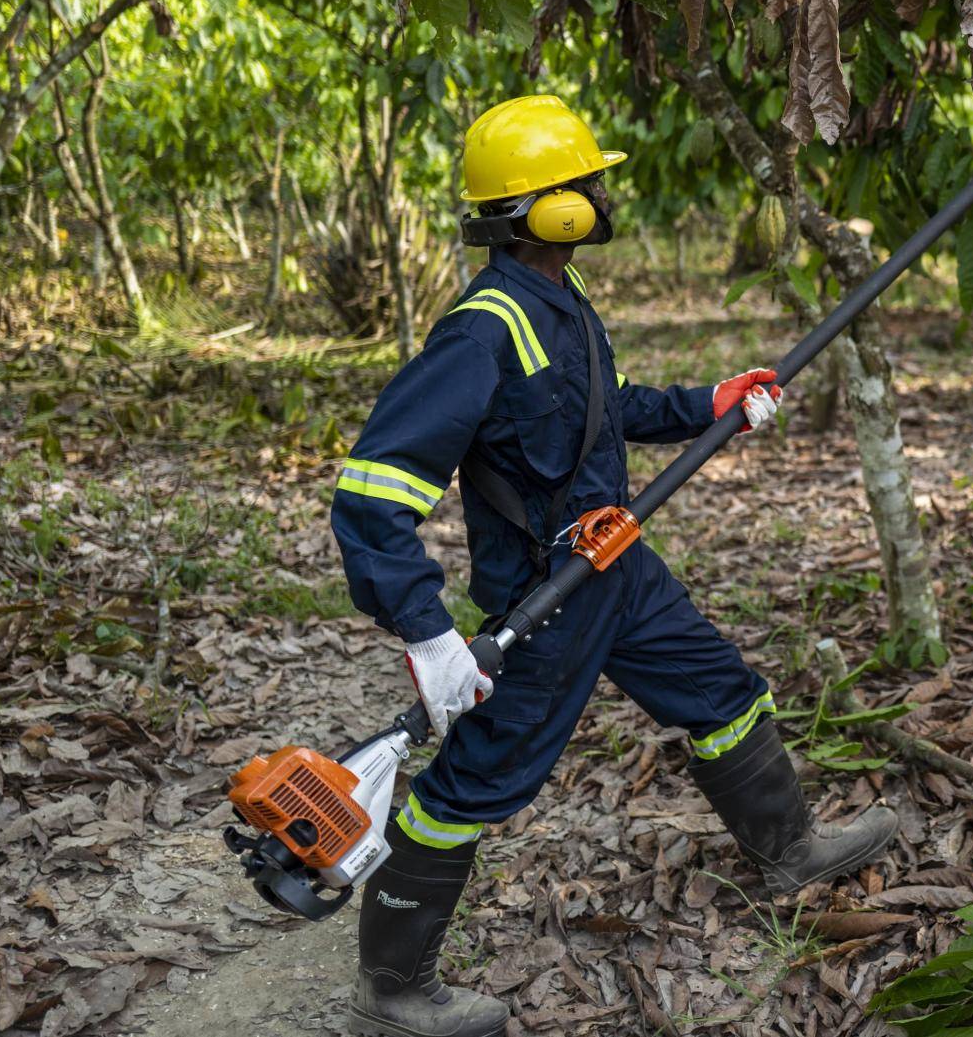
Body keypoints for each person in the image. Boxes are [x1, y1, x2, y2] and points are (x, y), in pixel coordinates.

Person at [330, 95, 898, 1036]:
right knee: (474, 780)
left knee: (720, 689)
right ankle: (390, 987)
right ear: (548, 208)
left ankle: (790, 849)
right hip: (548, 600)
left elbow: (608, 408)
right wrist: (429, 634)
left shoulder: (563, 304)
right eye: (589, 183)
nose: (602, 195)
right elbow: (370, 494)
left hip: (616, 564)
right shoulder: (481, 330)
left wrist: (710, 403)